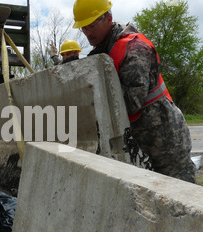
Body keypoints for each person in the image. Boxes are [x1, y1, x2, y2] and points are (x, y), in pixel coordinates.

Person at [72, 0, 196, 183]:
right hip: (139, 140)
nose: (87, 33)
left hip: (164, 139)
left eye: (91, 25)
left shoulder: (133, 48)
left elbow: (132, 101)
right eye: (83, 28)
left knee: (182, 192)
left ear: (108, 18)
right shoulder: (104, 50)